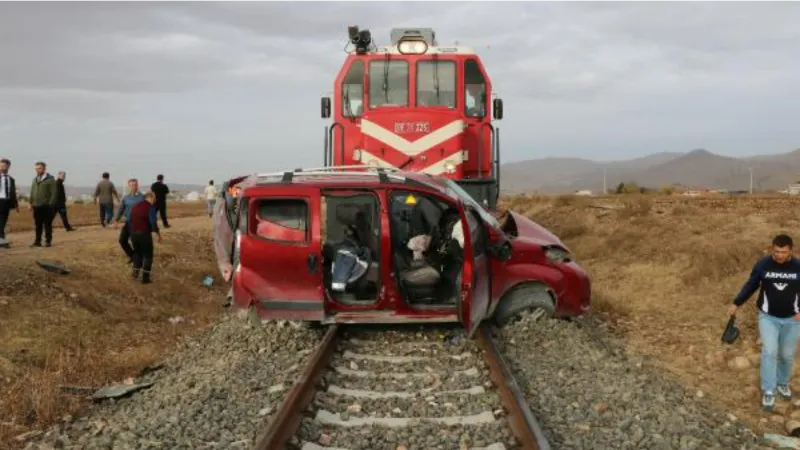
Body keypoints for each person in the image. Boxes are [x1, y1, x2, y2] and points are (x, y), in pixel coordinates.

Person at [729, 234, 800, 411]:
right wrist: (737, 303)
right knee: (769, 351)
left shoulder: (798, 267)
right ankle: (768, 389)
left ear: (791, 250)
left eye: (783, 252)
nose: (779, 255)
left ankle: (782, 382)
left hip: (793, 320)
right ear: (772, 249)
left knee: (786, 355)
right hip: (768, 317)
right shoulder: (763, 264)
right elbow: (751, 284)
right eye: (776, 251)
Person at [128, 192, 162, 284]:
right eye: (154, 198)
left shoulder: (135, 207)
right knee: (148, 256)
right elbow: (153, 222)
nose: (155, 200)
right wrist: (158, 234)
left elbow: (129, 221)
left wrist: (131, 233)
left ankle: (135, 274)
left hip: (133, 234)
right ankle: (145, 279)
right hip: (144, 234)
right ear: (150, 198)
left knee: (137, 253)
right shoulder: (150, 208)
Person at [113, 179, 145, 263]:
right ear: (129, 186)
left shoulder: (142, 197)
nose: (133, 187)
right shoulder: (126, 198)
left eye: (135, 185)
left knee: (136, 243)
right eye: (131, 185)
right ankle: (132, 256)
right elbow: (121, 209)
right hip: (128, 223)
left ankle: (138, 260)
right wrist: (116, 220)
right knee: (122, 240)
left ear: (137, 186)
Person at [29, 161, 58, 247]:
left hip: (47, 207)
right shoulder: (35, 180)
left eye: (39, 168)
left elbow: (54, 193)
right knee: (38, 225)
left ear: (44, 169)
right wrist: (30, 203)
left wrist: (50, 205)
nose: (37, 170)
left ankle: (48, 241)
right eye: (36, 169)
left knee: (47, 224)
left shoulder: (50, 180)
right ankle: (37, 241)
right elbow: (32, 192)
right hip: (36, 206)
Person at [0, 158, 19, 245]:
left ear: (8, 167)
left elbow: (13, 193)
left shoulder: (11, 179)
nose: (3, 167)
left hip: (6, 203)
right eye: (1, 166)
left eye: (5, 166)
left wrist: (16, 205)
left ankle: (2, 240)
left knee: (3, 222)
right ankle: (2, 241)